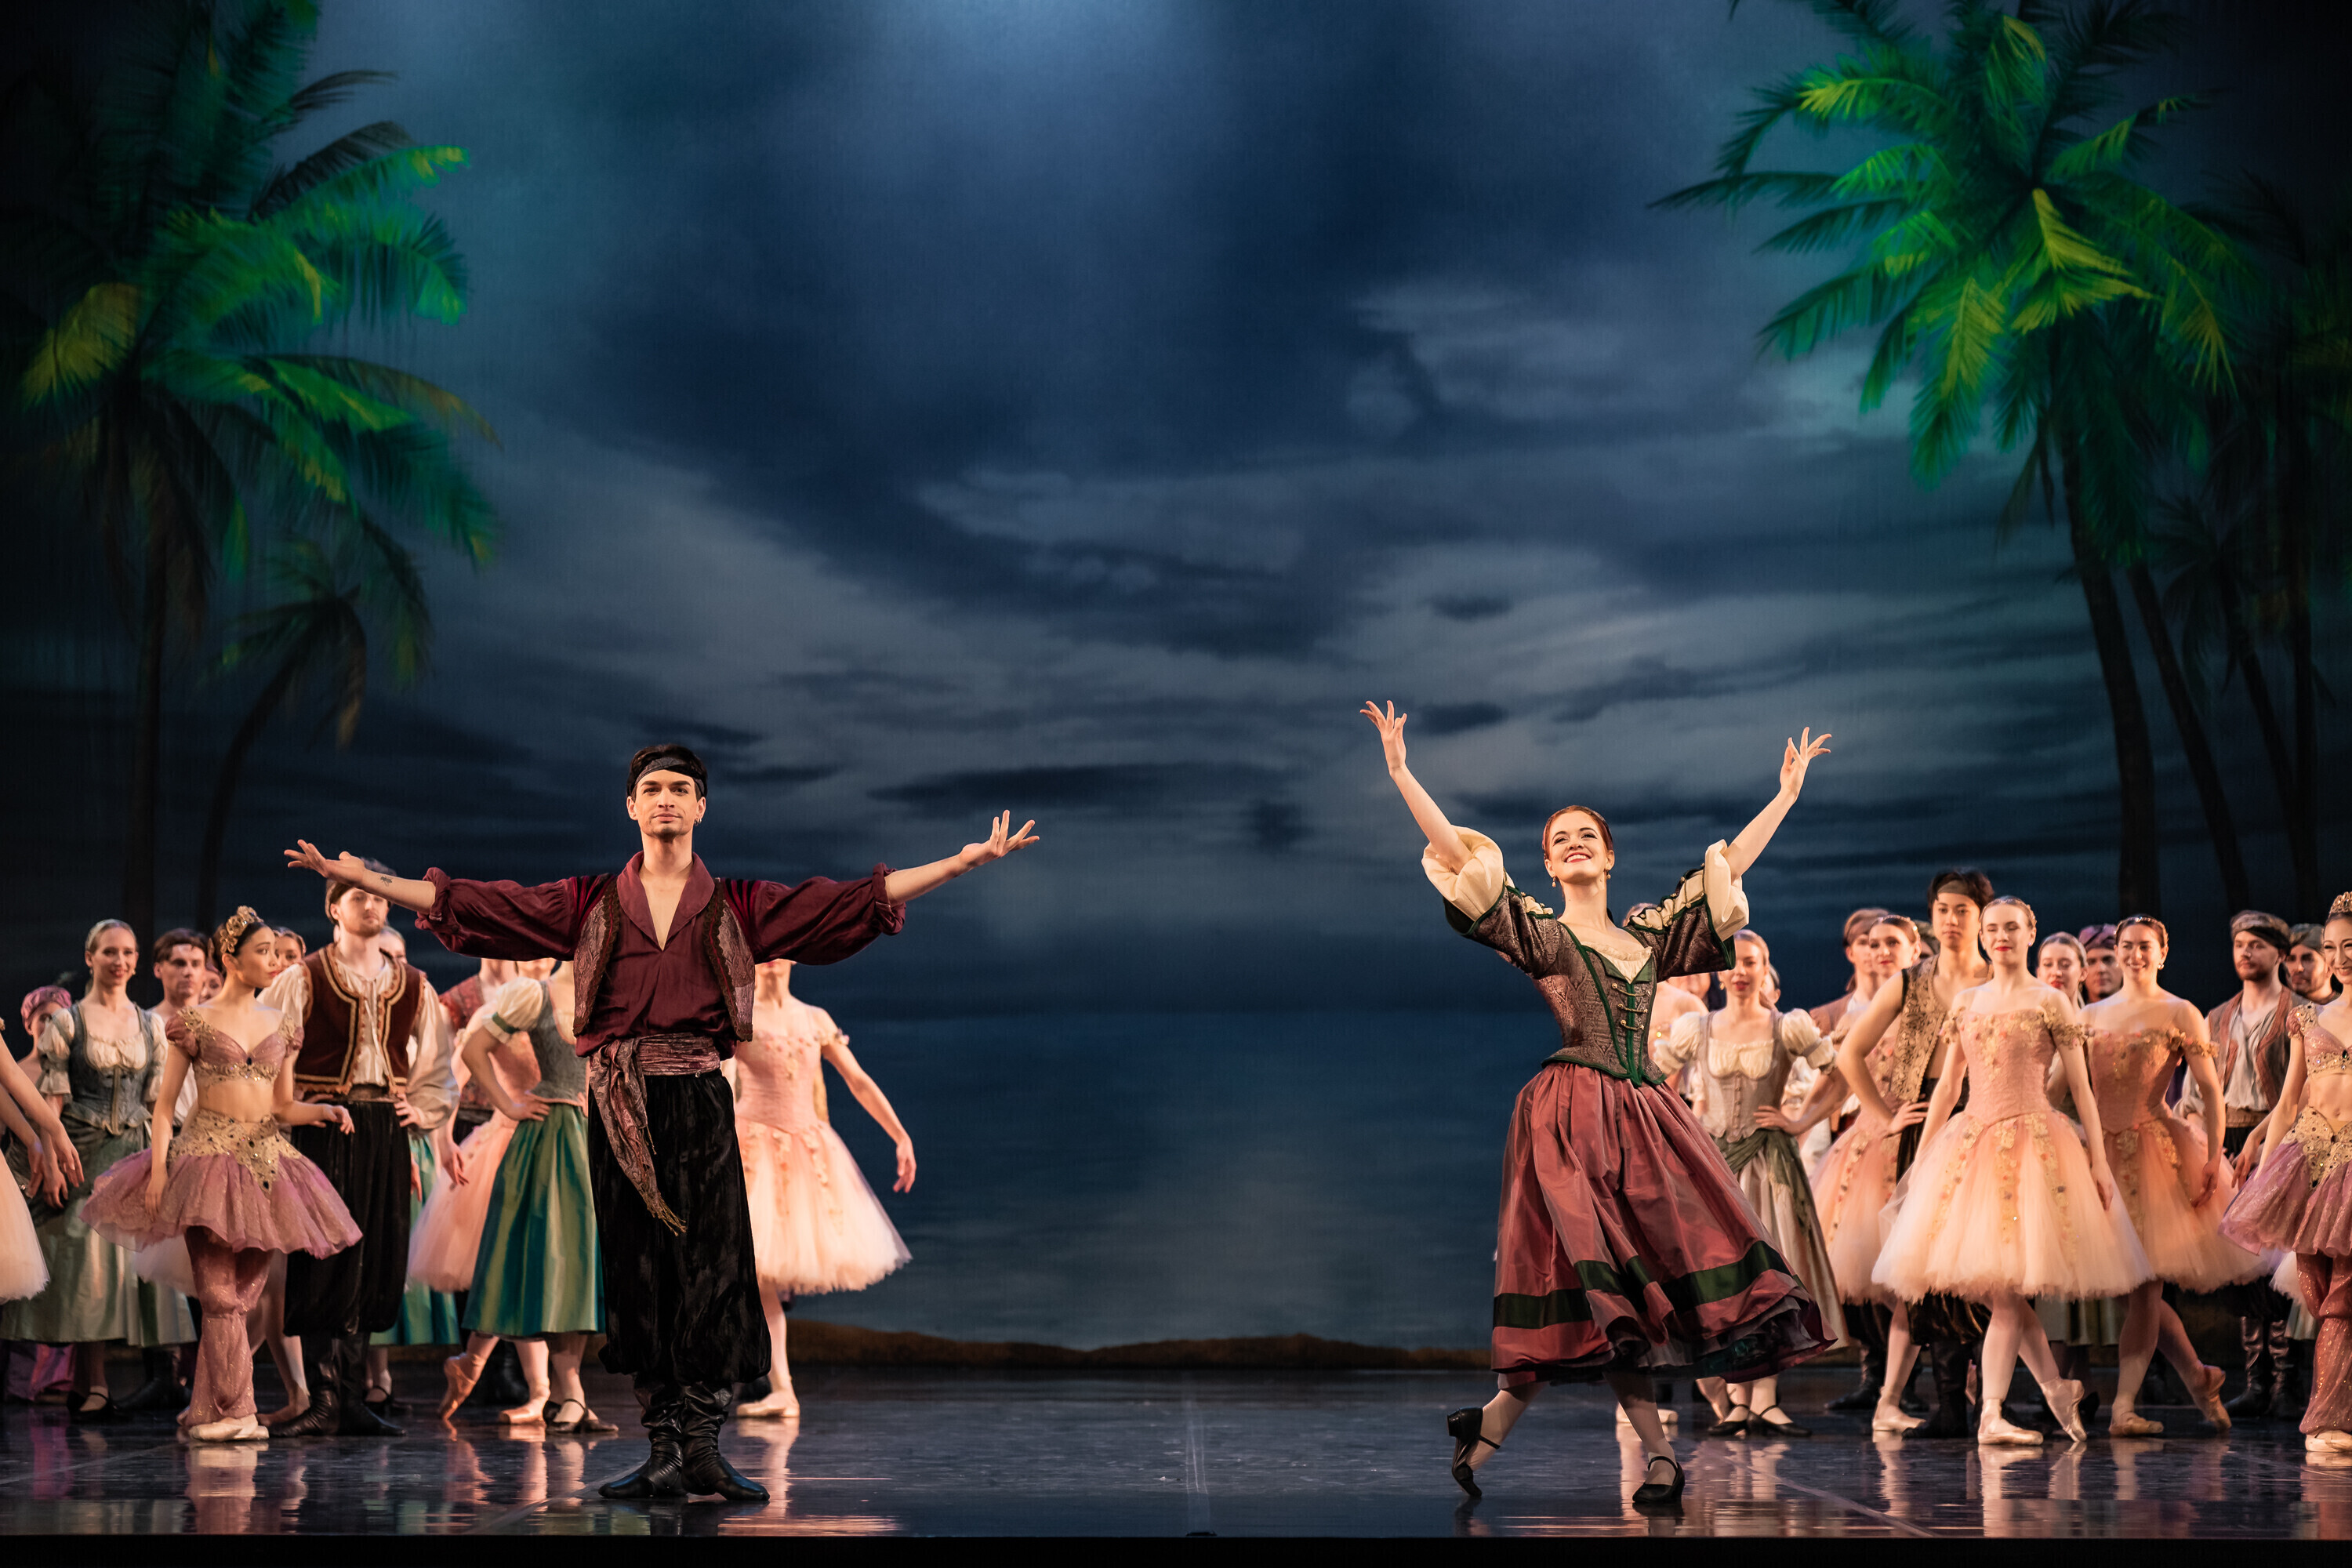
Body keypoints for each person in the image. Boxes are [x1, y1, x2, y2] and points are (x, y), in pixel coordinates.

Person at [285, 740, 1040, 1503]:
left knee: (711, 1270)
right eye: (653, 789)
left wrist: (960, 863)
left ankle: (704, 1444)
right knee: (640, 1273)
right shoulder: (591, 903)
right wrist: (367, 880)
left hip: (700, 1101)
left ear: (701, 806)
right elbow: (485, 904)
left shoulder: (738, 905)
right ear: (632, 806)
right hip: (621, 1103)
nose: (667, 799)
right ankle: (665, 1447)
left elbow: (844, 902)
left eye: (681, 788)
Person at [1361, 702, 1831, 1512]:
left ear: (1610, 855)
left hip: (1645, 1121)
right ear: (1548, 866)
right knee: (1606, 1289)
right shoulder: (1543, 936)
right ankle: (1660, 1456)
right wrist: (1403, 773)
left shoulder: (1650, 939)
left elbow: (1725, 875)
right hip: (1571, 1119)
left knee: (1623, 1293)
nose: (1574, 843)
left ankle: (1491, 1424)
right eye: (1559, 840)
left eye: (1587, 835)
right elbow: (1461, 857)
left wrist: (1784, 796)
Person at [1872, 896, 2148, 1445]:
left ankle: (1993, 1412)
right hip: (1972, 1143)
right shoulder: (1967, 1002)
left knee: (2004, 1289)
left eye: (2012, 928)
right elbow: (1949, 1088)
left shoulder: (2050, 1001)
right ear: (1984, 936)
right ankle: (2054, 1388)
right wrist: (1923, 1160)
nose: (2001, 936)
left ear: (2030, 933)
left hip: (2033, 1146)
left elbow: (2082, 1087)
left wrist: (2097, 1159)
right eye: (1993, 928)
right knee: (1999, 1290)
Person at [81, 909, 362, 1441]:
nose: (275, 961)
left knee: (242, 1300)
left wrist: (323, 1110)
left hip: (265, 1166)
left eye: (277, 953)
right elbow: (165, 1107)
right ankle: (239, 1412)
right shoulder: (195, 1021)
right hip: (205, 1162)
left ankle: (207, 1412)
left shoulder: (282, 1023)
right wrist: (159, 1171)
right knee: (217, 1298)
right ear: (231, 959)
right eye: (264, 952)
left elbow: (281, 1105)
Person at [260, 866, 445, 1439]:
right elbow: (264, 1049)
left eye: (379, 896)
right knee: (323, 1257)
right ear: (333, 909)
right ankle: (321, 1397)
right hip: (324, 1125)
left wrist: (423, 1110)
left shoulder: (412, 983)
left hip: (383, 1124)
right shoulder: (305, 977)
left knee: (376, 1255)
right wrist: (288, 1110)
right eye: (358, 895)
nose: (372, 905)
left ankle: (350, 1396)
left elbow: (436, 1061)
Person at [1814, 885, 1997, 1438]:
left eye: (1962, 910)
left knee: (1993, 1262)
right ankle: (1948, 1401)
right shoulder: (1912, 982)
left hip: (1989, 1117)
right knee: (1933, 1267)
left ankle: (1997, 1399)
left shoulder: (1998, 978)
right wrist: (1883, 1115)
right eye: (1942, 910)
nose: (1951, 919)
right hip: (1927, 1117)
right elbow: (1849, 1055)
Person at [1651, 929, 1846, 1437]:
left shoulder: (1787, 1027)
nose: (1741, 972)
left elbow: (1840, 1074)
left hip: (1768, 1166)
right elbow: (1653, 1082)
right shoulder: (1697, 1028)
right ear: (1720, 972)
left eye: (1751, 963)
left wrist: (1800, 1122)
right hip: (1715, 1169)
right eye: (1733, 963)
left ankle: (1766, 1400)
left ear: (1765, 969)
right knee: (1726, 1284)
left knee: (1771, 1281)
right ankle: (1738, 1400)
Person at [0, 921, 197, 1417]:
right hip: (81, 1151)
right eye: (110, 951)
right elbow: (52, 1100)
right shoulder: (68, 1023)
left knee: (137, 1267)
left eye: (128, 952)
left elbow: (157, 1104)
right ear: (90, 957)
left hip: (133, 1150)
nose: (120, 961)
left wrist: (161, 1165)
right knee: (85, 1266)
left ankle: (160, 1377)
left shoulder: (150, 1025)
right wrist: (48, 1155)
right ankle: (94, 1384)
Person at [2079, 914, 2259, 1434]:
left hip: (2155, 1152)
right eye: (2127, 945)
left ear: (2163, 953)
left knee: (2144, 1287)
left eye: (2145, 946)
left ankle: (2123, 1406)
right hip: (2101, 1154)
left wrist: (2214, 1156)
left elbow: (2210, 1089)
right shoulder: (2089, 1014)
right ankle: (2198, 1376)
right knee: (2126, 1287)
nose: (2135, 954)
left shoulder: (2180, 1011)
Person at [434, 961, 615, 1433]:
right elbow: (472, 1050)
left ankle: (560, 1392)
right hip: (552, 1136)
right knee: (551, 1262)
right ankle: (566, 1393)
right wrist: (509, 1105)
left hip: (595, 1137)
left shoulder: (613, 993)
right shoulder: (536, 996)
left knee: (579, 1265)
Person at [732, 958, 913, 1421]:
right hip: (752, 1147)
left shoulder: (815, 1019)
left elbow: (857, 1080)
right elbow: (724, 1081)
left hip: (806, 1149)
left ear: (796, 954)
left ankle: (781, 1390)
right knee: (753, 1275)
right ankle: (776, 1388)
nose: (773, 956)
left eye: (782, 946)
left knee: (766, 1276)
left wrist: (899, 1135)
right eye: (764, 947)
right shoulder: (739, 1014)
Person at [2222, 894, 2352, 1453]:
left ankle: (2327, 1419)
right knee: (2319, 1294)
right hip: (2311, 1161)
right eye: (2333, 948)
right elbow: (2288, 1102)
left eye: (2351, 946)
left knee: (2343, 1296)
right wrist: (2267, 1173)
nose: (2342, 957)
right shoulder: (2309, 1018)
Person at [408, 964, 553, 1421]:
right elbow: (451, 1078)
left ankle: (476, 1365)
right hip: (506, 1145)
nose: (537, 964)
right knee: (514, 1265)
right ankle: (538, 1390)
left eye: (543, 957)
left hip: (556, 1145)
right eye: (528, 957)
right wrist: (444, 1140)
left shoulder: (565, 1011)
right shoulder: (498, 1010)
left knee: (531, 1267)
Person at [2184, 911, 2299, 1419]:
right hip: (2228, 1139)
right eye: (2239, 945)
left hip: (2281, 1135)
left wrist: (2271, 1143)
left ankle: (2288, 1381)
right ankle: (2256, 1381)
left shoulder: (2300, 1013)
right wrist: (2210, 1144)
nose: (2246, 953)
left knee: (2278, 1260)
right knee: (2242, 1263)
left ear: (2280, 953)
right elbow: (2198, 1091)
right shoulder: (2217, 1017)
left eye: (2257, 944)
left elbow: (2303, 1090)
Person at [2292, 925, 2341, 1007]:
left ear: (2330, 967)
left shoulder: (2347, 1010)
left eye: (2308, 959)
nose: (2298, 968)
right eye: (2291, 959)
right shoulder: (2279, 1008)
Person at [2080, 926, 2123, 1005]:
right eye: (2091, 962)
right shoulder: (2069, 1012)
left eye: (2109, 961)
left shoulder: (2143, 1010)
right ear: (2081, 972)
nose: (2100, 969)